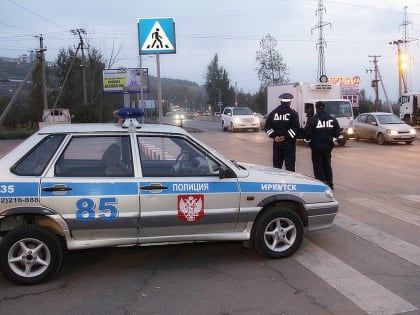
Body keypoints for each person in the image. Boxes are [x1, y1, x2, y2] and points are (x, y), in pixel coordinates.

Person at [304, 101, 341, 189]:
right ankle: (330, 183)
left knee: (318, 165)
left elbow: (307, 134)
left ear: (316, 109)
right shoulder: (332, 119)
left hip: (316, 146)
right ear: (324, 108)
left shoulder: (312, 120)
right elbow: (337, 133)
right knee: (327, 164)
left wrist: (309, 141)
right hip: (328, 146)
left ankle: (320, 184)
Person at [264, 92, 300, 171]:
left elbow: (267, 127)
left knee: (277, 167)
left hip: (277, 143)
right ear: (290, 102)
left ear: (281, 102)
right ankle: (290, 182)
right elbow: (296, 128)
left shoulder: (273, 113)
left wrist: (274, 136)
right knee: (290, 167)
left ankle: (277, 182)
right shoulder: (293, 114)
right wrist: (285, 137)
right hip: (289, 144)